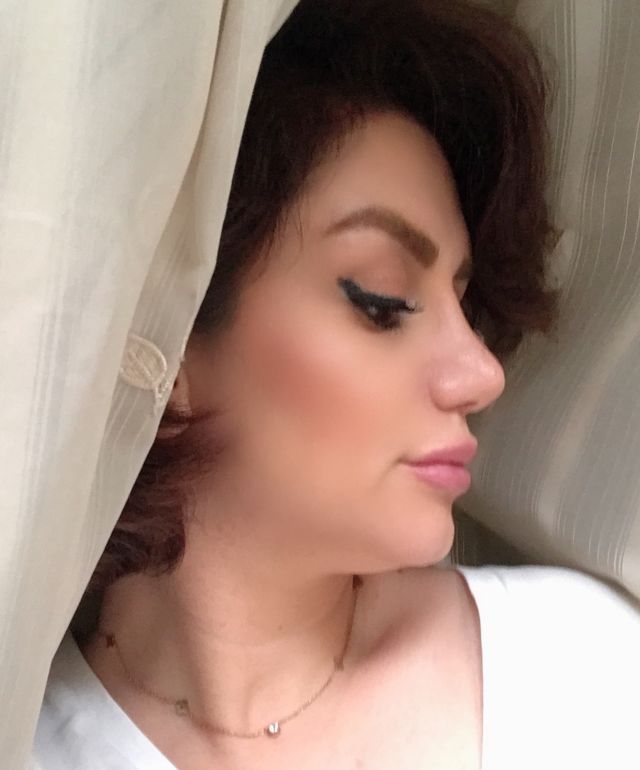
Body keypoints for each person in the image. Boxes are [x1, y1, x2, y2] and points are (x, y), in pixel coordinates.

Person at [31, 1, 640, 769]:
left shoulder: (585, 673)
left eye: (464, 301)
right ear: (164, 344)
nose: (482, 375)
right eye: (383, 301)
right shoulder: (29, 743)